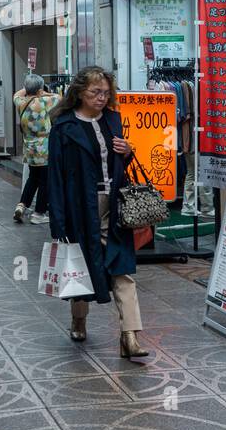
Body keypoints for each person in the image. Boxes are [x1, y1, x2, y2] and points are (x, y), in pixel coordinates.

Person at [47, 66, 149, 359]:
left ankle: (130, 335)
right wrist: (58, 220)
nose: (102, 98)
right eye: (96, 92)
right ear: (80, 92)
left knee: (122, 266)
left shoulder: (113, 121)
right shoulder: (63, 127)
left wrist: (127, 152)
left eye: (106, 92)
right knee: (78, 266)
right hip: (80, 206)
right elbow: (55, 175)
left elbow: (119, 167)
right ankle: (78, 319)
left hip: (114, 206)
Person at [13, 74, 60, 225]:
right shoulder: (46, 101)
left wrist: (28, 88)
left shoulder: (21, 102)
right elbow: (59, 97)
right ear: (40, 89)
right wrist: (42, 91)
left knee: (33, 178)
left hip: (29, 147)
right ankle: (39, 213)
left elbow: (17, 94)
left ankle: (22, 205)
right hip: (44, 148)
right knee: (45, 181)